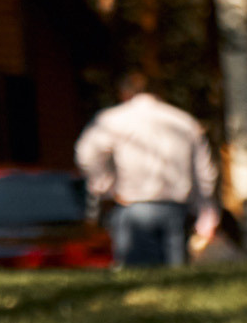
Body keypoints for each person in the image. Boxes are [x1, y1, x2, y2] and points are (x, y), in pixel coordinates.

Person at [75, 73, 220, 269]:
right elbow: (204, 172)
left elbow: (86, 155)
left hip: (133, 208)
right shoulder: (184, 121)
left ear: (124, 93)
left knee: (139, 277)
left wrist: (106, 185)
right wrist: (206, 209)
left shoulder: (113, 119)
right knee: (175, 278)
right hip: (177, 209)